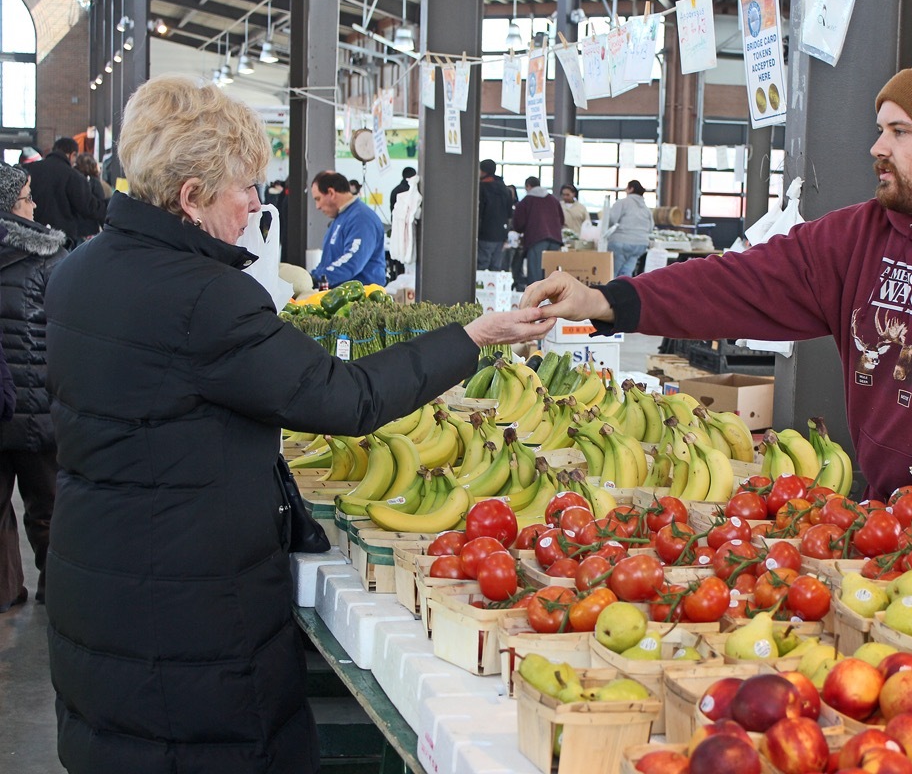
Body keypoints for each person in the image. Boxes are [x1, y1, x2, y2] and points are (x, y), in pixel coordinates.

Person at [42, 75, 554, 774]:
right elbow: (346, 399)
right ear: (190, 198)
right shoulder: (208, 298)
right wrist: (473, 336)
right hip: (188, 609)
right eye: (243, 188)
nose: (257, 203)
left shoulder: (79, 272)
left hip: (100, 579)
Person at [522, 63, 912, 603]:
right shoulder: (856, 238)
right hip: (892, 542)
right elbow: (740, 284)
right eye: (879, 129)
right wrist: (606, 299)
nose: (877, 147)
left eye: (899, 131)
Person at [0, 163, 69, 614]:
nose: (35, 204)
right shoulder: (48, 257)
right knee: (48, 508)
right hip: (38, 407)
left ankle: (5, 590)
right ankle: (56, 590)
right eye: (27, 196)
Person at [24, 136, 107, 247]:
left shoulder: (29, 169)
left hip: (31, 235)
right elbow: (88, 207)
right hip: (62, 240)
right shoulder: (73, 177)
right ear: (72, 155)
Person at [310, 170, 386, 287]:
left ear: (331, 193)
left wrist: (318, 279)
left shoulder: (362, 218)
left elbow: (352, 261)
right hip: (339, 297)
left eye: (318, 199)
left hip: (360, 301)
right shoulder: (341, 217)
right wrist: (310, 277)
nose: (318, 206)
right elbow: (329, 261)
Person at [511, 176, 565, 289]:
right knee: (551, 272)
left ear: (528, 186)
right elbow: (562, 220)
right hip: (555, 240)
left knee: (535, 275)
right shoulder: (553, 199)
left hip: (536, 239)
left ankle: (536, 302)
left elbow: (518, 224)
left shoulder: (526, 201)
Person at [605, 180, 653, 278]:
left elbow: (612, 219)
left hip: (621, 242)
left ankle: (610, 292)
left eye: (627, 188)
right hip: (640, 244)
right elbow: (651, 227)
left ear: (631, 189)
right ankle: (624, 292)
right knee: (627, 273)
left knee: (612, 273)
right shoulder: (646, 208)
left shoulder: (622, 202)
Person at [477, 159, 511, 270]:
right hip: (500, 234)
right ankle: (494, 287)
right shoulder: (505, 189)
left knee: (482, 265)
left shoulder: (481, 188)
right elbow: (509, 213)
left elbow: (480, 212)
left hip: (485, 233)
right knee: (496, 267)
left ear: (483, 171)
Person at [72, 152, 112, 239]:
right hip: (89, 229)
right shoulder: (96, 183)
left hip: (74, 228)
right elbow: (100, 207)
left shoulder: (73, 180)